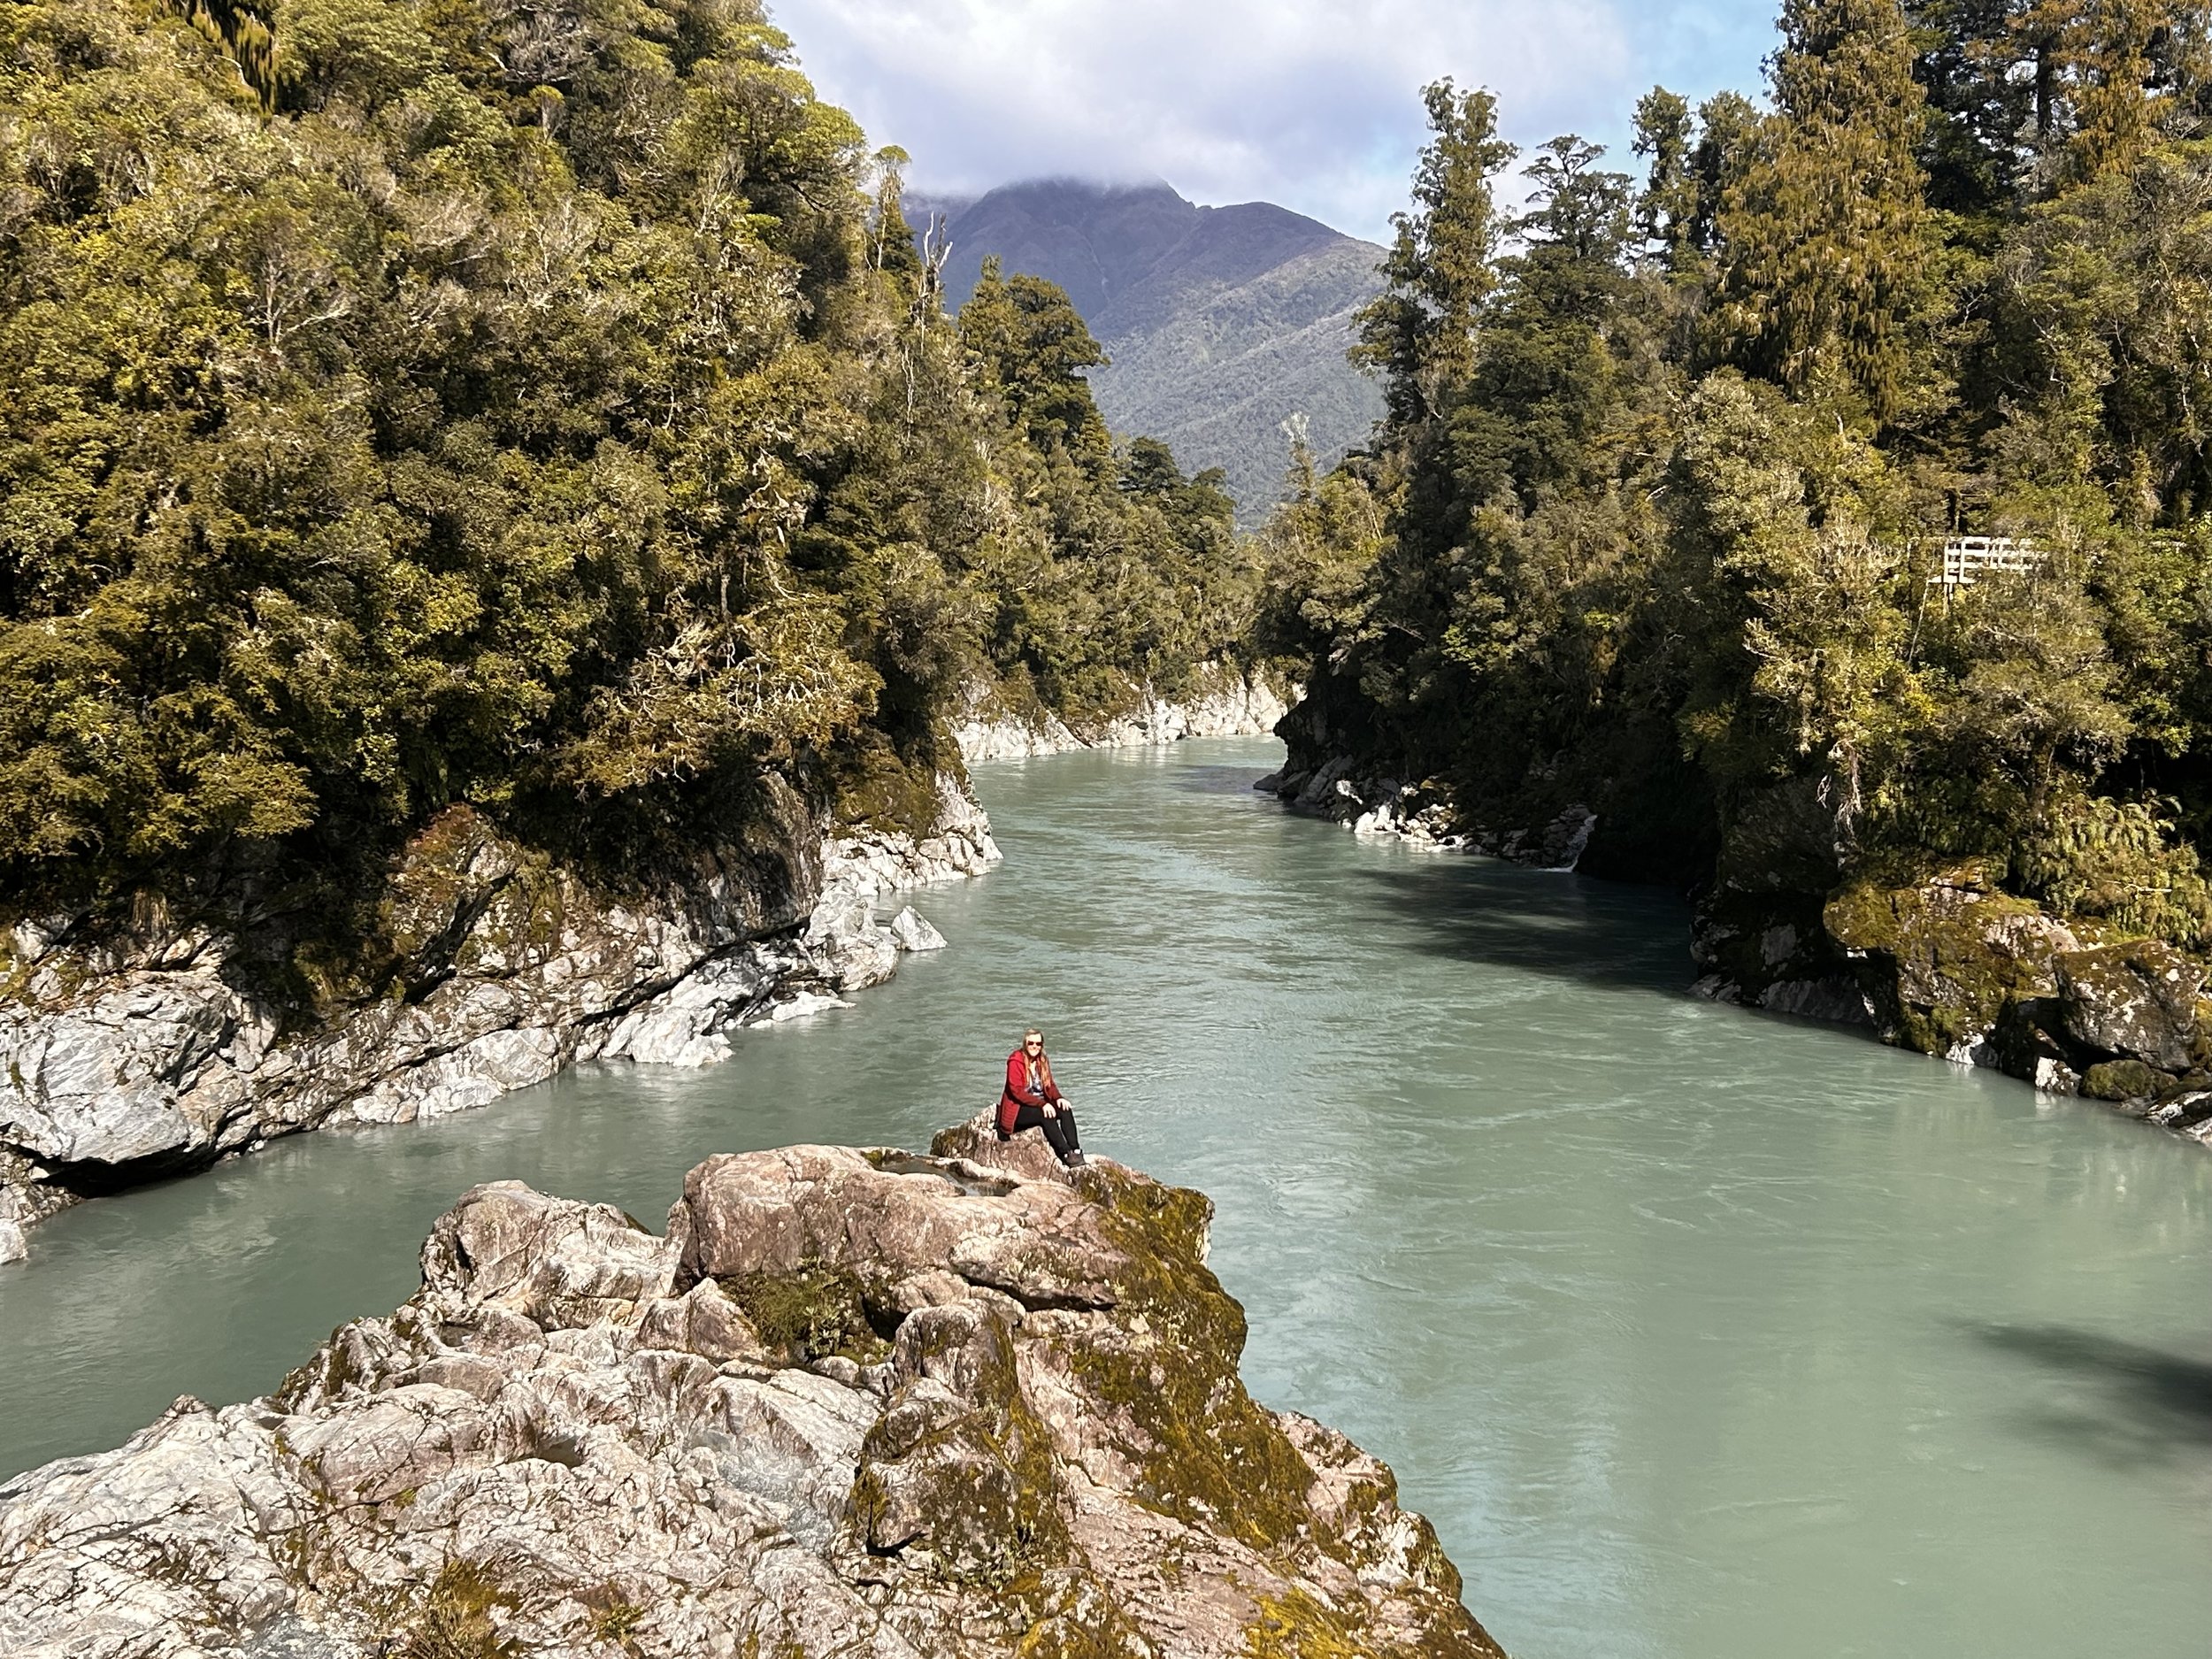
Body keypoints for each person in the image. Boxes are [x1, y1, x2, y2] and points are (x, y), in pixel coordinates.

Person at [999, 1027, 1085, 1168]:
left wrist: (1058, 1098)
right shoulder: (1015, 1061)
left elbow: (1049, 1085)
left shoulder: (1042, 1061)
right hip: (1018, 1110)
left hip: (1038, 1104)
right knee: (1045, 1115)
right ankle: (1064, 1153)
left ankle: (1075, 1149)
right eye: (1031, 1043)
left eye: (1038, 1044)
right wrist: (1042, 1104)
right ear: (1025, 1044)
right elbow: (1016, 1092)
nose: (1034, 1047)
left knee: (1065, 1109)